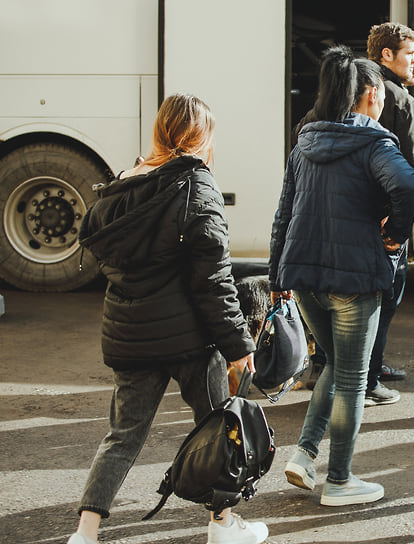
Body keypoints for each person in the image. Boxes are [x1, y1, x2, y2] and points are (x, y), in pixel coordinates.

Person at [71, 94, 268, 544]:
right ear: (202, 136)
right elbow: (213, 281)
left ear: (161, 130)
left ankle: (85, 532)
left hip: (130, 336)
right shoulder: (197, 186)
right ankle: (222, 527)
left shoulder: (120, 186)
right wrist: (239, 347)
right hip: (191, 341)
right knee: (220, 428)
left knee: (122, 437)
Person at [273, 46, 414, 506]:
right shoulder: (375, 142)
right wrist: (395, 238)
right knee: (353, 379)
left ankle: (304, 454)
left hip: (305, 279)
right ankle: (339, 481)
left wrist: (278, 272)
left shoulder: (305, 142)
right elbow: (407, 185)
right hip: (355, 281)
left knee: (336, 366)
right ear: (371, 94)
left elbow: (284, 213)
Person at [363, 22, 414, 407]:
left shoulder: (352, 89)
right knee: (385, 296)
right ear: (386, 54)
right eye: (410, 54)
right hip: (386, 217)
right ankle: (368, 377)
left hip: (358, 212)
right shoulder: (398, 99)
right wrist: (399, 222)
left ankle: (359, 366)